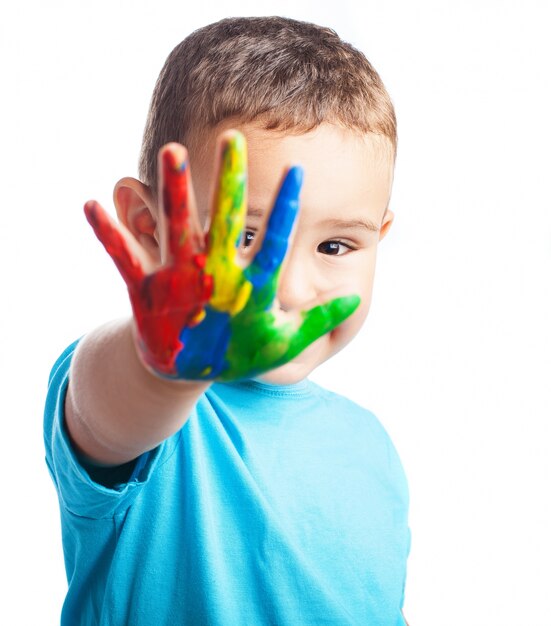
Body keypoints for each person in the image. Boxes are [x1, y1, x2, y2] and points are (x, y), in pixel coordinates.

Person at [44, 16, 410, 625]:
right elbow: (103, 410)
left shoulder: (372, 448)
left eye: (337, 246)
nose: (289, 289)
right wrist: (169, 366)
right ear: (147, 226)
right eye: (244, 236)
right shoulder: (155, 404)